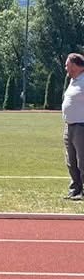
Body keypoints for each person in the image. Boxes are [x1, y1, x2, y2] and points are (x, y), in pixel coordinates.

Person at [62, 52, 84, 200]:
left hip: (81, 126)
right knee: (71, 160)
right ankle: (75, 189)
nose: (65, 68)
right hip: (69, 126)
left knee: (83, 160)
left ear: (75, 66)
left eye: (67, 65)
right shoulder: (73, 80)